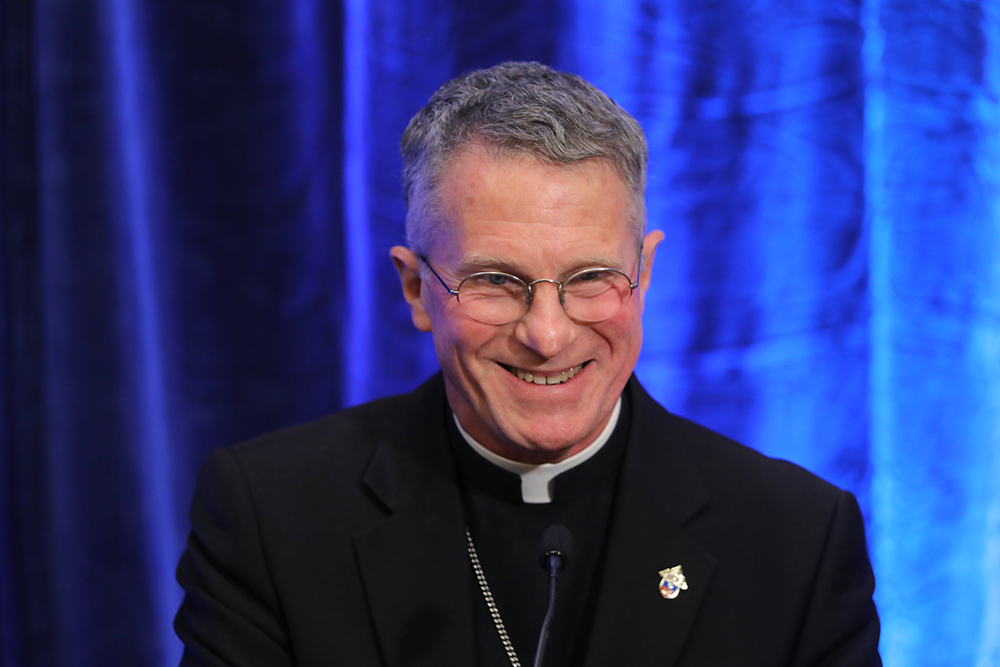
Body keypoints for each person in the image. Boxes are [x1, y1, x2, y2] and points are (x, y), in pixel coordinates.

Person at [174, 62, 880, 666]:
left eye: (592, 277)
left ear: (644, 274)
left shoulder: (794, 542)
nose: (547, 333)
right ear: (417, 288)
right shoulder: (273, 516)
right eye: (495, 280)